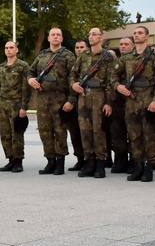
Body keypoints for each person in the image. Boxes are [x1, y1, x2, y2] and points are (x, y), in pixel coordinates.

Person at [112, 25, 155, 182]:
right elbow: (113, 74)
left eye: (140, 33)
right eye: (135, 33)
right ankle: (138, 166)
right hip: (132, 102)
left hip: (148, 100)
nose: (137, 35)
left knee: (149, 136)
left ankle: (149, 167)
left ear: (147, 36)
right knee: (134, 136)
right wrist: (118, 86)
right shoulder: (127, 57)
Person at [28, 28, 77, 175]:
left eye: (58, 35)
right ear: (48, 38)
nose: (55, 37)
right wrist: (30, 80)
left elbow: (73, 78)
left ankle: (60, 161)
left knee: (60, 131)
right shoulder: (41, 55)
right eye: (53, 35)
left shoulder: (68, 56)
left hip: (60, 99)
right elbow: (31, 71)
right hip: (43, 99)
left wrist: (71, 100)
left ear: (61, 39)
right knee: (44, 131)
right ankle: (50, 160)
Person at [69, 28, 115, 178]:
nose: (91, 37)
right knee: (85, 130)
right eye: (89, 34)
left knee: (99, 131)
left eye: (94, 34)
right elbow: (73, 74)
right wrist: (74, 84)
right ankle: (89, 162)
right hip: (83, 96)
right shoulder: (83, 56)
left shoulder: (107, 57)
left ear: (101, 37)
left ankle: (100, 163)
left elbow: (111, 81)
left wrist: (109, 102)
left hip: (99, 95)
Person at [0, 41, 31, 172]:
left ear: (16, 50)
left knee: (17, 133)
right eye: (6, 48)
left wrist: (24, 107)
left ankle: (18, 161)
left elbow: (26, 89)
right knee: (5, 133)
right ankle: (10, 159)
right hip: (3, 104)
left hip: (16, 104)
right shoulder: (0, 68)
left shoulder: (23, 66)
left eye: (11, 48)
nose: (8, 50)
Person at [108, 37, 133, 173]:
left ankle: (134, 160)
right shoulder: (115, 63)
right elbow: (109, 83)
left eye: (126, 44)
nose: (123, 46)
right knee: (117, 133)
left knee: (133, 133)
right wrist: (109, 103)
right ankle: (120, 160)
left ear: (132, 46)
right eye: (121, 44)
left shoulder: (136, 61)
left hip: (133, 101)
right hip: (117, 102)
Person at [65, 39, 88, 171]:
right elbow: (69, 83)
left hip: (86, 102)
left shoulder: (89, 62)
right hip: (72, 104)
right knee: (74, 133)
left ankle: (91, 159)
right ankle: (80, 159)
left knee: (87, 133)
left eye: (82, 47)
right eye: (77, 47)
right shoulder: (73, 64)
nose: (79, 50)